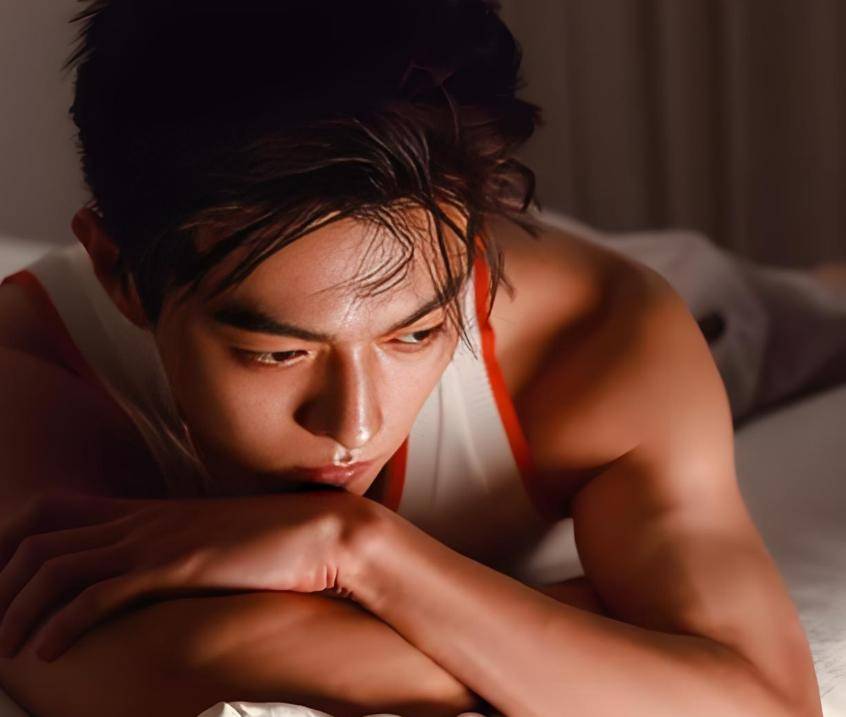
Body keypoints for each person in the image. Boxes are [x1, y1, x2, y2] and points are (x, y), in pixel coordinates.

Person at [0, 1, 822, 716]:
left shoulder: (600, 337)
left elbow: (764, 704)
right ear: (118, 272)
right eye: (276, 351)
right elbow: (119, 663)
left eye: (417, 337)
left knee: (810, 316)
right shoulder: (35, 366)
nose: (354, 425)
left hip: (710, 314)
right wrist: (600, 639)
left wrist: (356, 546)